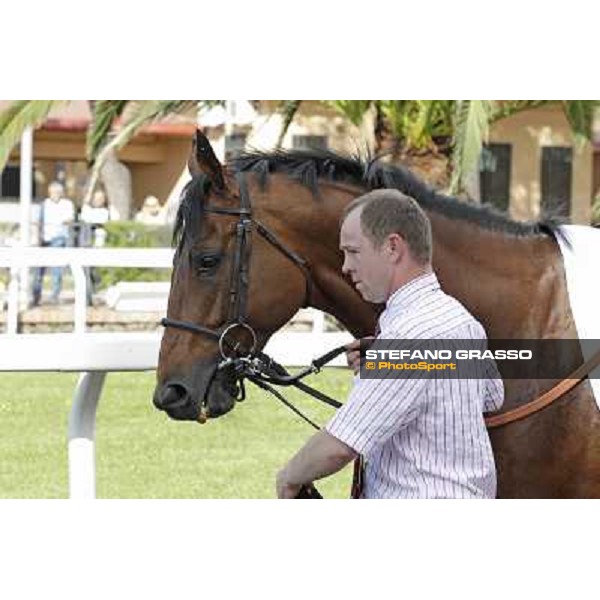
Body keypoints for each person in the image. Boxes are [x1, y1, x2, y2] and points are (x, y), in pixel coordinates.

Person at [276, 189, 504, 499]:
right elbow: (493, 398)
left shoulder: (408, 336)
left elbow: (340, 446)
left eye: (353, 251)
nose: (345, 266)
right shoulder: (460, 319)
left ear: (393, 247)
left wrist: (289, 477)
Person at [31, 181, 75, 306]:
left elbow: (70, 219)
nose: (54, 194)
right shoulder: (44, 204)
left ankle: (54, 295)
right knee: (39, 269)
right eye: (52, 192)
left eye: (57, 192)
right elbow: (37, 221)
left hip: (59, 238)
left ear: (61, 193)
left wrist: (62, 222)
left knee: (56, 269)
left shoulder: (67, 204)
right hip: (44, 239)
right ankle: (36, 295)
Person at [79, 189, 119, 305]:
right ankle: (89, 298)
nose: (98, 200)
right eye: (96, 198)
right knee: (88, 274)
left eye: (101, 198)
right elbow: (84, 214)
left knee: (101, 274)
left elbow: (115, 220)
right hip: (89, 247)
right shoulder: (88, 211)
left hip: (103, 247)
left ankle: (103, 297)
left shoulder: (108, 211)